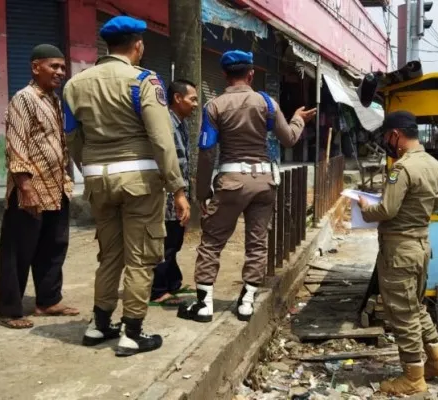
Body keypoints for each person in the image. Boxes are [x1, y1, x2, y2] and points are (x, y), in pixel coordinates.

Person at [63, 16, 189, 357]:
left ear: (107, 46)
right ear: (138, 46)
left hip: (97, 180)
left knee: (109, 256)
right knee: (140, 258)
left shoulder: (75, 85)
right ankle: (132, 333)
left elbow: (72, 138)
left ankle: (99, 325)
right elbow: (162, 139)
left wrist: (89, 171)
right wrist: (177, 189)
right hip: (139, 182)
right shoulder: (143, 81)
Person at [177, 50, 316, 323]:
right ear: (251, 74)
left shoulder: (214, 106)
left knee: (212, 241)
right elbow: (288, 139)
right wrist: (298, 119)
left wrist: (202, 192)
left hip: (230, 182)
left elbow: (206, 152)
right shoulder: (266, 102)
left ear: (225, 76)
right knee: (257, 242)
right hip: (264, 182)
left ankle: (204, 305)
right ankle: (247, 301)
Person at [358, 111, 438, 396]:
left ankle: (413, 377)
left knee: (402, 314)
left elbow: (386, 210)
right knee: (415, 307)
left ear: (396, 135)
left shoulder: (402, 168)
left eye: (388, 136)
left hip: (399, 250)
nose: (388, 142)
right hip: (422, 247)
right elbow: (435, 205)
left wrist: (365, 205)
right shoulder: (435, 166)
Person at [0, 44, 78, 329]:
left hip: (56, 188)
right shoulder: (24, 99)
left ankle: (48, 300)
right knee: (18, 250)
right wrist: (25, 187)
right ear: (35, 67)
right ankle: (10, 310)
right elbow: (16, 145)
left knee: (53, 247)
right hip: (30, 189)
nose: (60, 72)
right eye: (53, 66)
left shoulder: (54, 100)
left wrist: (68, 179)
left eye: (62, 68)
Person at [150, 79, 199, 307]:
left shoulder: (180, 123)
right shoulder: (166, 123)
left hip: (178, 193)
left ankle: (172, 283)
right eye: (193, 99)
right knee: (167, 243)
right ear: (177, 98)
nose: (196, 104)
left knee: (175, 241)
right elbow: (170, 162)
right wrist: (179, 194)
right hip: (169, 195)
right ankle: (159, 290)